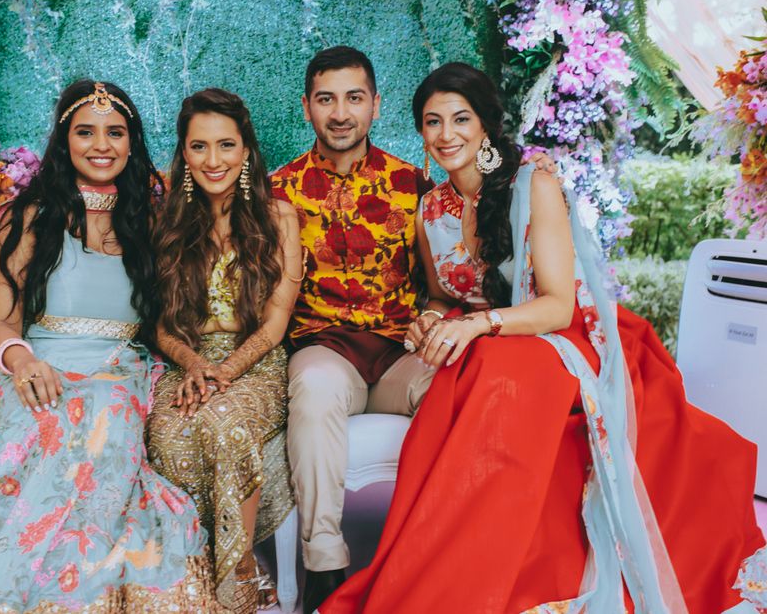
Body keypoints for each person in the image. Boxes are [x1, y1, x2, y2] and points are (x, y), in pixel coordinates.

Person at [320, 62, 767, 613]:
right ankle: (450, 561)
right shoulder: (430, 209)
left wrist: (478, 323)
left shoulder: (535, 184)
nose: (446, 134)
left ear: (485, 125)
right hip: (488, 341)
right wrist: (432, 320)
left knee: (493, 364)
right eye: (432, 122)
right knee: (480, 361)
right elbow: (442, 295)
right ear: (420, 133)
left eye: (461, 118)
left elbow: (557, 305)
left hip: (566, 335)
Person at [0, 80, 223, 613]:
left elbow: (164, 323)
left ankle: (72, 594)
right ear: (64, 141)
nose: (101, 145)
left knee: (101, 412)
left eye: (115, 133)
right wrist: (21, 361)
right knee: (44, 420)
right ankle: (5, 592)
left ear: (132, 142)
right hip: (33, 365)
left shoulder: (149, 222)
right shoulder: (26, 219)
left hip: (117, 372)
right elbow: (0, 323)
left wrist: (196, 361)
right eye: (85, 132)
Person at [270, 46, 557, 613]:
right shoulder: (279, 192)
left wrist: (431, 318)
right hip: (326, 351)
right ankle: (324, 568)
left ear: (375, 105)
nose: (341, 112)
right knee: (315, 387)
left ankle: (457, 563)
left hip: (404, 353)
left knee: (474, 389)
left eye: (355, 98)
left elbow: (439, 289)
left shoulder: (416, 187)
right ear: (306, 108)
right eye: (326, 99)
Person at [146, 88, 303, 613]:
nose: (214, 161)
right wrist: (194, 365)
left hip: (255, 358)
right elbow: (159, 327)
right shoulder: (165, 220)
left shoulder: (279, 217)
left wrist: (224, 372)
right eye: (199, 147)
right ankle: (190, 578)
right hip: (186, 358)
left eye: (226, 146)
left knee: (224, 423)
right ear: (184, 153)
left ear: (247, 152)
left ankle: (240, 570)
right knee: (168, 432)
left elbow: (276, 325)